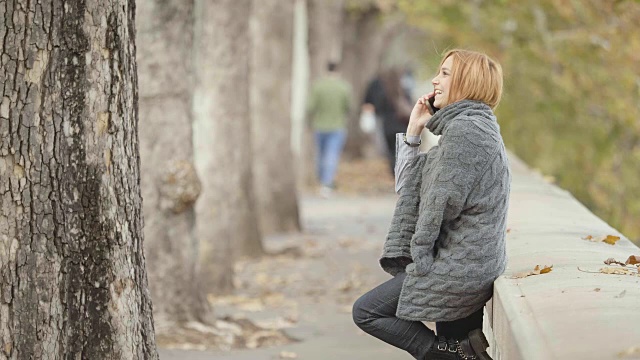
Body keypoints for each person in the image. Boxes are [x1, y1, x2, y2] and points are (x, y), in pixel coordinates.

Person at [352, 49, 510, 360]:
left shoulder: (468, 132)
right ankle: (459, 352)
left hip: (460, 267)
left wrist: (419, 259)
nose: (435, 81)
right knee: (458, 343)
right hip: (462, 261)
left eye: (446, 74)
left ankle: (452, 354)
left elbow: (436, 205)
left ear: (469, 81)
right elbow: (410, 189)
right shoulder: (467, 127)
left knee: (367, 312)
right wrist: (413, 130)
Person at [307, 61, 352, 197]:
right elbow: (348, 107)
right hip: (337, 126)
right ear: (338, 71)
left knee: (320, 155)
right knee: (331, 155)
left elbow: (310, 107)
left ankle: (322, 180)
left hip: (320, 126)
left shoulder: (318, 86)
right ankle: (327, 184)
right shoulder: (344, 87)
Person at [363, 67, 413, 175]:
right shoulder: (404, 92)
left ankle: (394, 172)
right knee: (401, 151)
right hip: (402, 126)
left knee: (391, 152)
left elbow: (378, 109)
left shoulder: (384, 93)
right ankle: (402, 171)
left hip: (388, 127)